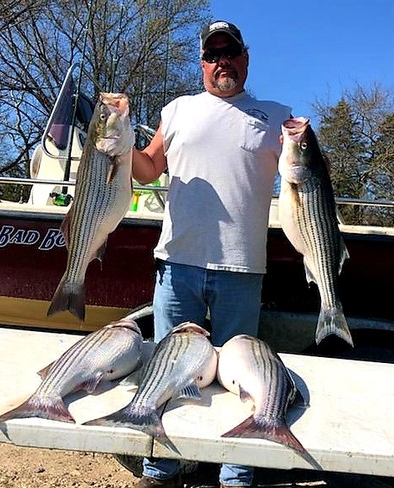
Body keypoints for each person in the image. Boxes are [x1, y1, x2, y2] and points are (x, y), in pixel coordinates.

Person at [131, 19, 291, 488]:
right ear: (202, 63)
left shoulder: (277, 116)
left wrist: (304, 149)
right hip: (177, 264)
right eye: (213, 54)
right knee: (167, 372)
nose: (223, 61)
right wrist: (115, 143)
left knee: (245, 383)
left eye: (231, 52)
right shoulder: (178, 109)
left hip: (243, 269)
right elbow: (146, 168)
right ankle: (162, 469)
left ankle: (235, 475)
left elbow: (306, 177)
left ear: (245, 58)